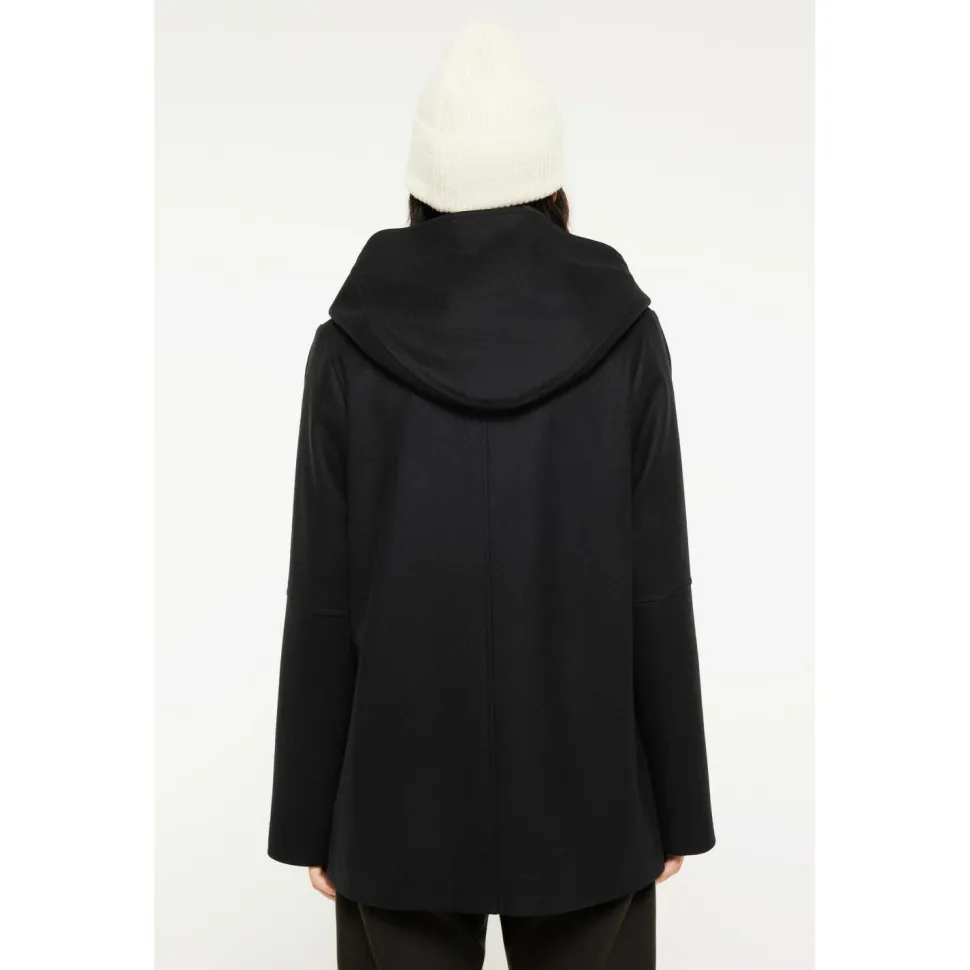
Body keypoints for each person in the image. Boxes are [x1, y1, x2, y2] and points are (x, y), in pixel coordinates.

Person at [269, 22, 714, 970]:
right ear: (551, 181)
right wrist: (675, 801)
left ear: (422, 187)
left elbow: (323, 600)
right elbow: (656, 587)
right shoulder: (627, 340)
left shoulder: (348, 348)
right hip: (593, 804)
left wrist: (310, 815)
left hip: (394, 809)